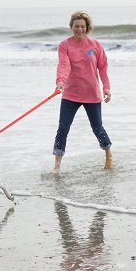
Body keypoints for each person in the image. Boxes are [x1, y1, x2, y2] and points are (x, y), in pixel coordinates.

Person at [53, 11, 113, 170]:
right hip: (71, 93)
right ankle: (57, 164)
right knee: (63, 128)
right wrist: (60, 82)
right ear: (71, 27)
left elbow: (103, 69)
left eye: (82, 26)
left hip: (92, 93)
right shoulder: (64, 45)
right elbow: (64, 65)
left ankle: (108, 154)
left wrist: (106, 88)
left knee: (97, 128)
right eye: (76, 26)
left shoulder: (95, 45)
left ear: (87, 28)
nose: (79, 29)